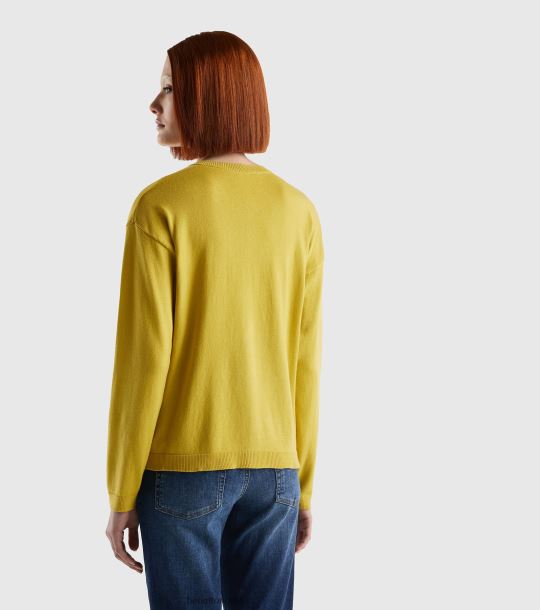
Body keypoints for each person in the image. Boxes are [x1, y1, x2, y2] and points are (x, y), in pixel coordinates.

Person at [104, 31, 325, 609]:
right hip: (276, 471)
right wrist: (301, 486)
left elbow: (142, 362)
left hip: (183, 469)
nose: (154, 104)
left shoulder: (161, 207)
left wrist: (122, 490)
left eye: (169, 88)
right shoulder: (298, 212)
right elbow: (305, 363)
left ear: (208, 95)